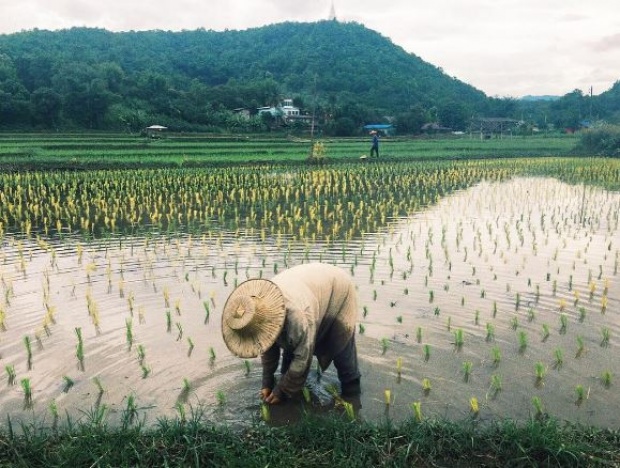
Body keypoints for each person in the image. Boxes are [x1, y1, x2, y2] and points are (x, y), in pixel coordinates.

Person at [221, 263, 361, 404]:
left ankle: (352, 396)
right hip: (307, 289)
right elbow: (268, 345)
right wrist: (267, 382)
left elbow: (303, 357)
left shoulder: (298, 316)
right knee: (288, 346)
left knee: (342, 350)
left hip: (337, 290)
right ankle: (291, 391)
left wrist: (281, 390)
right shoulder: (257, 308)